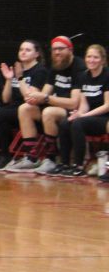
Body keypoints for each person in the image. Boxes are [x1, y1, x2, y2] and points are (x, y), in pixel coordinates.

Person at [15, 36, 83, 175]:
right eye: (54, 49)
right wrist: (33, 95)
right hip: (54, 105)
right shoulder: (56, 66)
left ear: (70, 50)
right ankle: (31, 157)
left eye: (60, 49)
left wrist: (45, 98)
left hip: (74, 111)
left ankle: (51, 158)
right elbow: (44, 93)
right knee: (25, 108)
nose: (57, 52)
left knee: (49, 112)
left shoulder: (79, 67)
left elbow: (73, 103)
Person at [0, 40, 48, 171]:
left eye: (28, 50)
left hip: (29, 109)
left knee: (0, 116)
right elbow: (5, 99)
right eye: (21, 49)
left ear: (37, 54)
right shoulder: (18, 69)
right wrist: (9, 79)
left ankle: (6, 154)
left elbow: (29, 97)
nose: (23, 52)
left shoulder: (40, 71)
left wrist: (20, 78)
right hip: (13, 106)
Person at [55, 44, 109, 177]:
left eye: (95, 57)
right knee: (66, 123)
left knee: (78, 123)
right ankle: (64, 163)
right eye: (89, 56)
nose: (91, 60)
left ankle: (78, 165)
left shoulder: (107, 75)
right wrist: (79, 113)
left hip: (104, 117)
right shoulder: (83, 76)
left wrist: (84, 116)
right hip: (89, 116)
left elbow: (107, 105)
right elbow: (84, 103)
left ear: (102, 60)